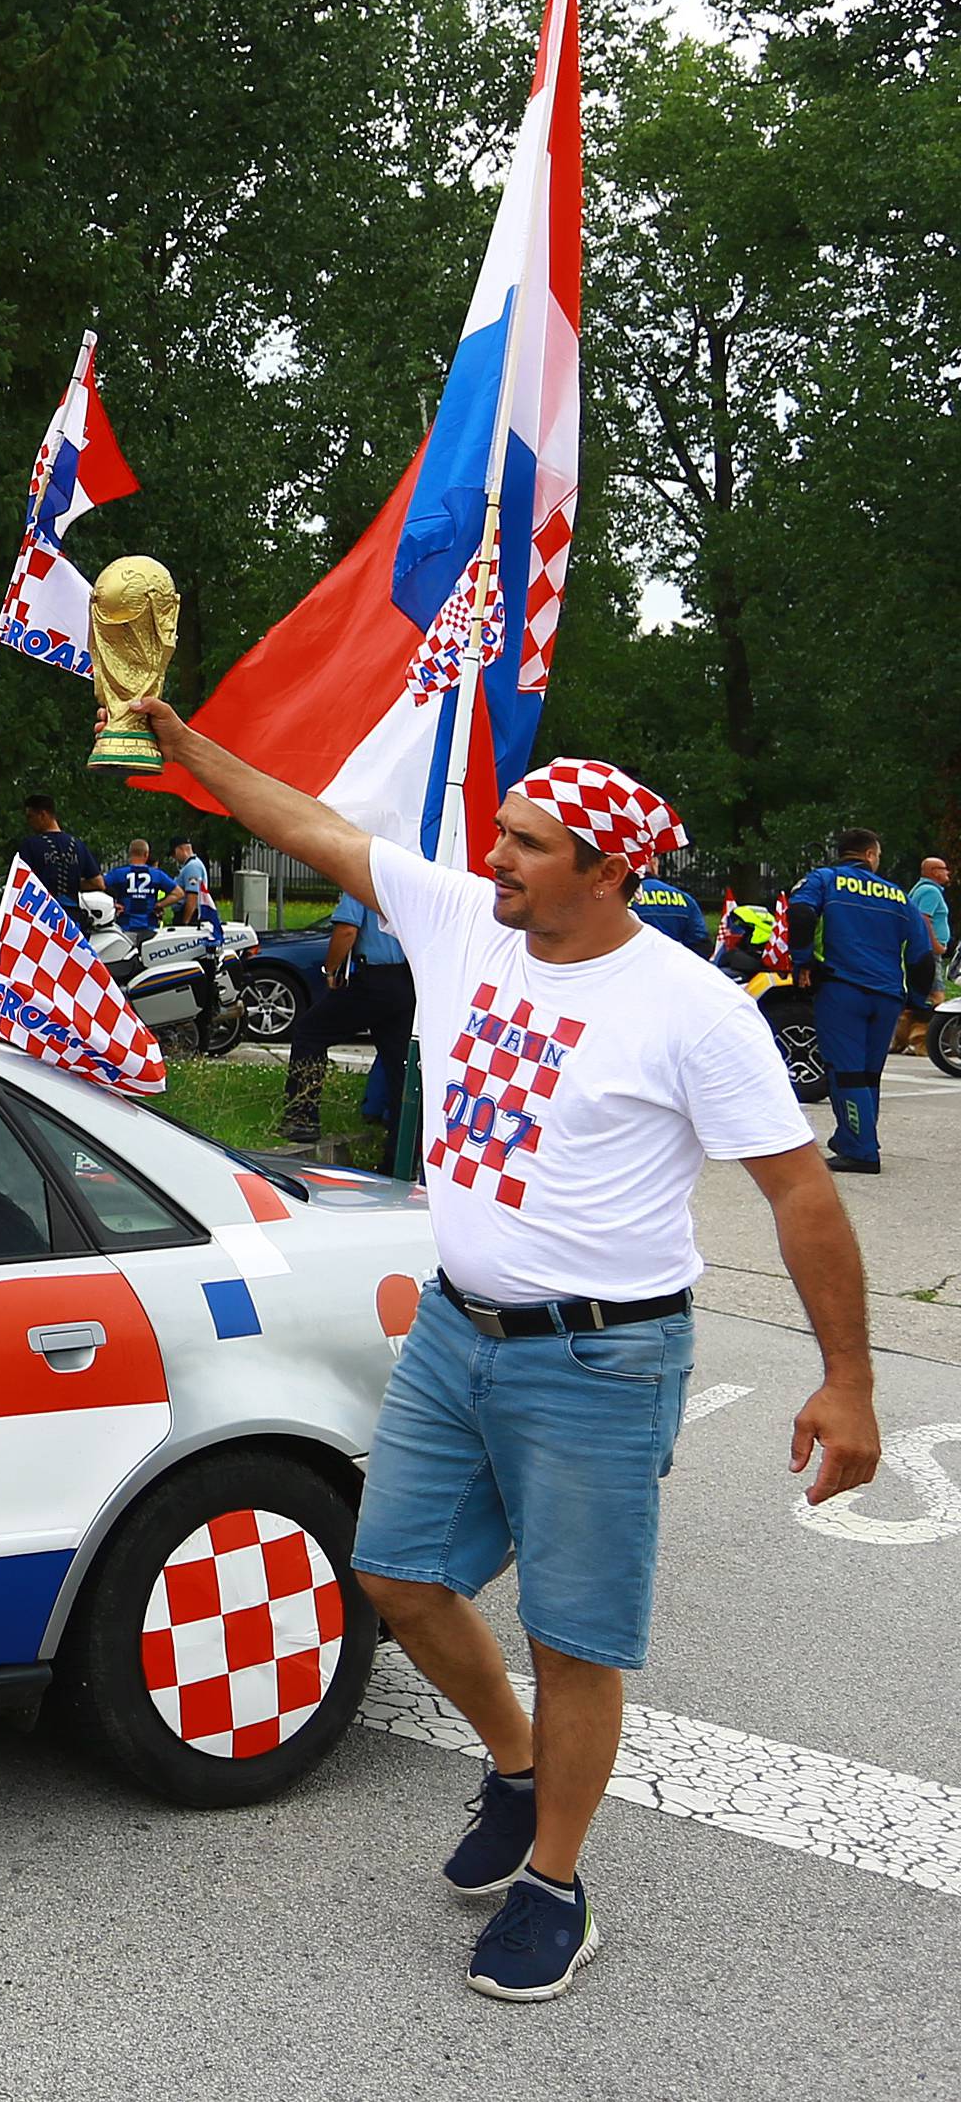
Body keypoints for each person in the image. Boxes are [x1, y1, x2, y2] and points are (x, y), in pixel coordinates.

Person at [123, 697, 879, 2002]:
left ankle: (555, 1888)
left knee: (577, 1639)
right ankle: (518, 1768)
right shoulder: (463, 919)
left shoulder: (692, 1010)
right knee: (398, 1576)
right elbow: (301, 819)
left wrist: (851, 1382)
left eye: (529, 845)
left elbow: (801, 1196)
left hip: (601, 1361)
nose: (499, 861)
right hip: (453, 1334)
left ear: (608, 868)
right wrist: (181, 742)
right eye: (502, 836)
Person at [787, 830, 934, 1175]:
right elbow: (922, 955)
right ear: (870, 855)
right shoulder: (898, 895)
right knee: (869, 1074)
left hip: (843, 989)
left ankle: (860, 1150)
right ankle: (858, 1137)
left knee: (847, 1072)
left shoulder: (824, 879)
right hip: (886, 996)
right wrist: (917, 1000)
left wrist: (802, 960)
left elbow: (802, 914)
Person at [280, 886, 415, 1172]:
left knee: (309, 1033)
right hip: (405, 980)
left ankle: (302, 1119)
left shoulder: (361, 882)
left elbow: (346, 931)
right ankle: (401, 1154)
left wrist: (331, 970)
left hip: (372, 979)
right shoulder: (404, 885)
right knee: (398, 1064)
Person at [13, 795, 100, 929]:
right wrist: (75, 883)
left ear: (42, 815)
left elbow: (21, 881)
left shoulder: (31, 845)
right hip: (71, 920)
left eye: (30, 817)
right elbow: (98, 882)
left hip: (42, 917)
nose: (28, 822)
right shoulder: (77, 845)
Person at [100, 837, 171, 938]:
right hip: (149, 926)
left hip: (125, 926)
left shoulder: (119, 873)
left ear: (130, 854)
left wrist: (112, 904)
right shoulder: (157, 875)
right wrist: (159, 904)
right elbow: (178, 893)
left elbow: (97, 885)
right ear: (146, 854)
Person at [630, 872, 708, 955]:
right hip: (674, 962)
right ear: (654, 864)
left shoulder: (624, 898)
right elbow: (701, 943)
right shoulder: (684, 898)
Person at [162, 834, 222, 937]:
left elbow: (192, 897)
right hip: (191, 915)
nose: (174, 858)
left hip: (191, 916)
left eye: (173, 854)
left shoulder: (192, 867)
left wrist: (184, 924)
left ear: (179, 849)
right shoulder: (190, 866)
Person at [908, 855, 953, 979]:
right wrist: (935, 945)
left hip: (922, 949)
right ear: (935, 872)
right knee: (936, 995)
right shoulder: (930, 891)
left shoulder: (920, 888)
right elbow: (924, 918)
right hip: (929, 951)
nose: (947, 872)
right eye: (944, 868)